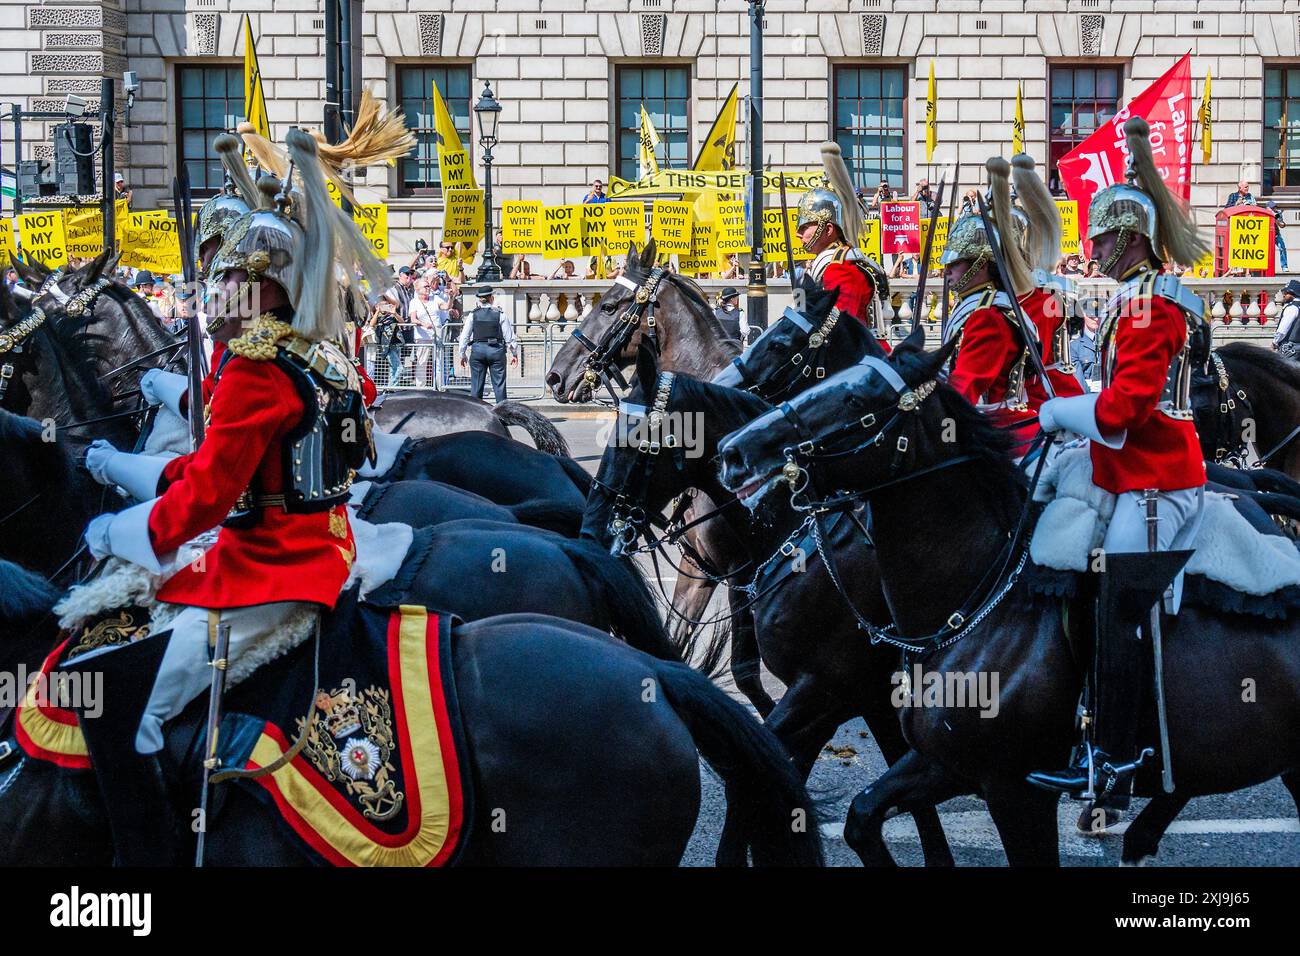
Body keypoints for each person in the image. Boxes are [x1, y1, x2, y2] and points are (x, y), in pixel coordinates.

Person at [67, 128, 381, 864]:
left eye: (223, 283)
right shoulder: (317, 356)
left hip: (273, 573)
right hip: (318, 549)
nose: (212, 300)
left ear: (256, 287)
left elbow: (207, 498)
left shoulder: (252, 369)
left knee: (123, 708)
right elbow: (225, 470)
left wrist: (120, 533)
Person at [1027, 116, 1213, 804]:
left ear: (1132, 238)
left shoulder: (1151, 307)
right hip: (1131, 471)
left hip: (1158, 483)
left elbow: (1122, 414)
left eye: (1101, 237)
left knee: (1121, 599)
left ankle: (1118, 756)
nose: (1091, 248)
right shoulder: (1133, 301)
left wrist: (1057, 413)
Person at [940, 156, 1082, 456]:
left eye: (956, 264)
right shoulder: (992, 303)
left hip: (1023, 417)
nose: (948, 272)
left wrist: (940, 428)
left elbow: (971, 383)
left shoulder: (1022, 304)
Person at [793, 142, 889, 347]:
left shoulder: (839, 268)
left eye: (805, 227)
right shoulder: (842, 260)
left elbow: (841, 330)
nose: (798, 233)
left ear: (828, 230)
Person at [457, 286, 517, 403]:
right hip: (496, 351)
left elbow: (464, 336)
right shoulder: (500, 314)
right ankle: (502, 414)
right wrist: (514, 353)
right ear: (491, 298)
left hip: (478, 350)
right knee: (499, 386)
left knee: (476, 386)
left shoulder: (473, 315)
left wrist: (462, 353)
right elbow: (509, 337)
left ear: (480, 299)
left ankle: (475, 414)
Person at [371, 291, 404, 385]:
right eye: (382, 305)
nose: (385, 306)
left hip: (395, 342)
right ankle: (392, 387)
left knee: (393, 367)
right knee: (398, 367)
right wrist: (377, 311)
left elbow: (402, 322)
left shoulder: (392, 314)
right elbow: (371, 324)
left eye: (386, 304)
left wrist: (394, 313)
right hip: (386, 345)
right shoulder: (378, 316)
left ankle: (390, 388)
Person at [1273, 278, 1300, 359]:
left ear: (1292, 293)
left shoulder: (1292, 308)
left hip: (1290, 348)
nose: (1284, 295)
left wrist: (1274, 342)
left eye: (1285, 293)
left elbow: (1283, 329)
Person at [1267, 201, 1288, 271]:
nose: (1274, 209)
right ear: (1267, 208)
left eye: (1274, 207)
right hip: (1266, 235)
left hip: (1276, 234)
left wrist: (1277, 221)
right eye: (1272, 208)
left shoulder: (1278, 214)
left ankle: (1284, 266)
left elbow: (1282, 225)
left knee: (1282, 247)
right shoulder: (1264, 213)